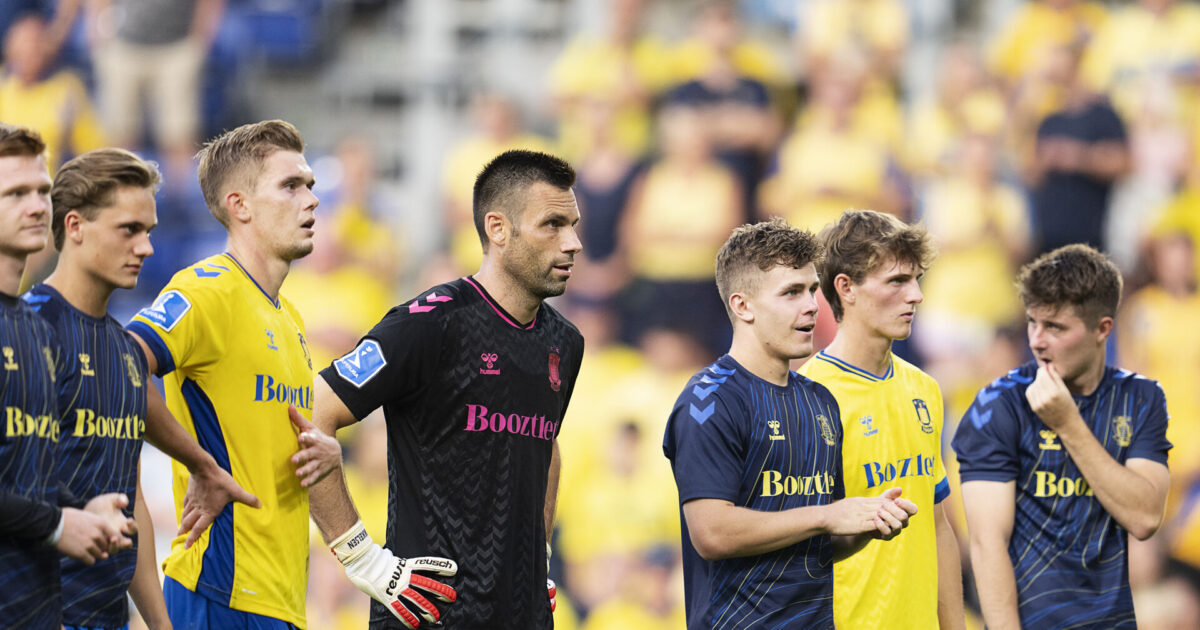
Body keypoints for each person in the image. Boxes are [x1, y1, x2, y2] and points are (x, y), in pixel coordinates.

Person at [298, 149, 585, 629]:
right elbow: (310, 412)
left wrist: (542, 553)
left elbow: (546, 446)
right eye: (552, 225)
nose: (573, 242)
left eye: (573, 224)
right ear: (498, 229)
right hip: (429, 612)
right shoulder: (430, 324)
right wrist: (363, 559)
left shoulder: (565, 342)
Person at [29, 147, 256, 630]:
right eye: (129, 230)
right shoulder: (27, 332)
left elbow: (128, 498)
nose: (147, 248)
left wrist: (159, 624)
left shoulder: (124, 353)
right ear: (74, 227)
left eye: (149, 231)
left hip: (105, 617)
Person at [663, 217, 919, 629]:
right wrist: (827, 515)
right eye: (792, 292)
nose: (812, 306)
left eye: (813, 289)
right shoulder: (709, 400)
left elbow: (816, 544)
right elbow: (712, 533)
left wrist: (867, 523)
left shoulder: (819, 401)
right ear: (742, 306)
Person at [126, 120, 325, 629]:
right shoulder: (207, 290)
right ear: (240, 205)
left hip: (278, 601)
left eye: (310, 185)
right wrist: (199, 463)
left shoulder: (290, 317)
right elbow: (119, 363)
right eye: (290, 186)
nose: (311, 199)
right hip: (218, 591)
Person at [952, 244, 1172, 629]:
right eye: (1033, 322)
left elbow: (1145, 516)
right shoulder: (997, 405)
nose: (1037, 340)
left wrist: (1069, 425)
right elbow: (988, 545)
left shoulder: (1141, 399)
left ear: (1103, 328)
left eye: (1055, 327)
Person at [798, 209, 965, 630]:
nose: (916, 296)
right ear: (846, 288)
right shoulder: (807, 398)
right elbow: (796, 548)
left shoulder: (925, 389)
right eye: (897, 281)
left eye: (916, 280)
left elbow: (938, 523)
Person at [0, 123, 134, 629]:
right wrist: (59, 524)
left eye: (40, 190)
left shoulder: (32, 329)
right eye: (15, 193)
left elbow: (18, 475)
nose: (37, 206)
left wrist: (80, 508)